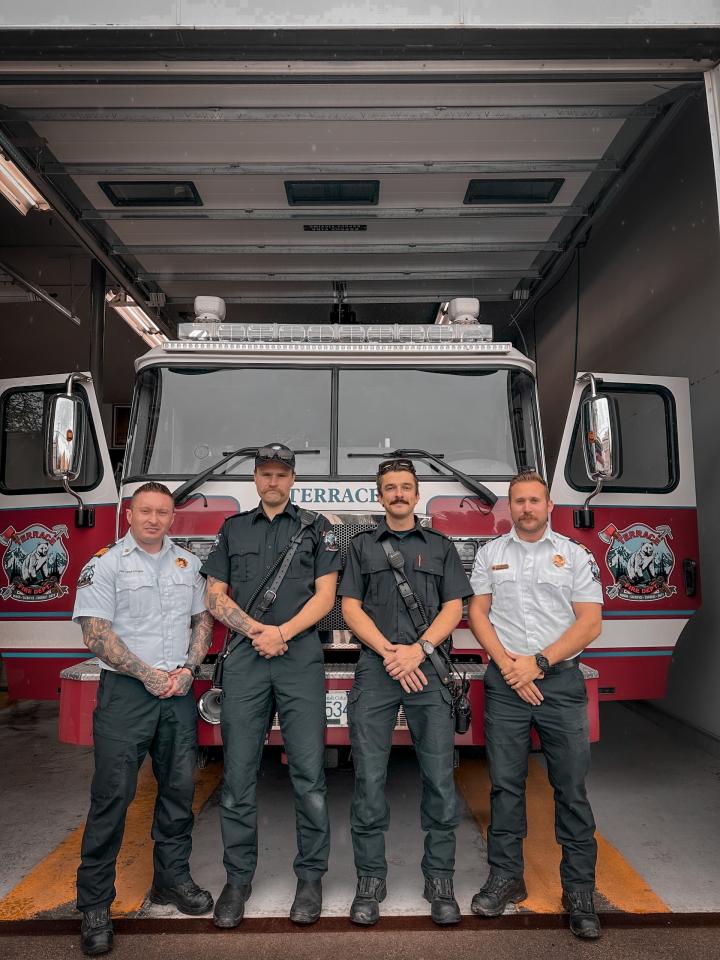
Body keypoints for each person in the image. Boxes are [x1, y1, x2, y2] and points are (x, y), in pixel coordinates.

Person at [201, 442, 341, 928]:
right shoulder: (233, 529)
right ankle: (237, 880)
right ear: (255, 479)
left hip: (299, 656)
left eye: (282, 474)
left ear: (293, 479)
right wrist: (254, 631)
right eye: (265, 474)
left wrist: (281, 633)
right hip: (244, 659)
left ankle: (310, 878)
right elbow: (215, 595)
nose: (273, 482)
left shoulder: (318, 529)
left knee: (309, 777)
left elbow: (327, 596)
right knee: (238, 779)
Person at [73, 482, 215, 957]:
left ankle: (171, 882)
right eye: (145, 511)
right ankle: (94, 903)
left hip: (176, 693)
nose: (154, 519)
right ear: (129, 515)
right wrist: (146, 674)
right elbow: (96, 634)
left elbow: (202, 621)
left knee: (178, 793)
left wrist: (189, 669)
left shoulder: (188, 564)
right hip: (127, 695)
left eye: (162, 512)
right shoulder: (106, 563)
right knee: (112, 796)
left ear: (173, 517)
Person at [467, 470, 603, 940]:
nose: (526, 508)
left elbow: (589, 624)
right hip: (506, 684)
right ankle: (506, 878)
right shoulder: (490, 554)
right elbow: (477, 613)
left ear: (549, 507)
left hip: (560, 685)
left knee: (571, 788)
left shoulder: (575, 556)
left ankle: (580, 890)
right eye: (519, 501)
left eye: (534, 501)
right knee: (505, 786)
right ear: (510, 508)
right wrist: (510, 667)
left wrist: (538, 664)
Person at [339, 457, 472, 926]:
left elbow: (454, 608)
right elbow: (349, 608)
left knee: (439, 780)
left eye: (406, 487)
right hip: (377, 670)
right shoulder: (360, 548)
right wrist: (391, 653)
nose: (398, 494)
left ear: (417, 496)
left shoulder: (440, 547)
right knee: (369, 781)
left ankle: (440, 880)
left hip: (429, 668)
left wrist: (418, 651)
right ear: (380, 496)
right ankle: (369, 881)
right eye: (390, 487)